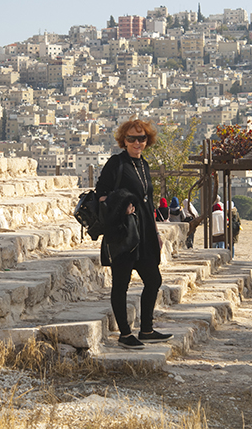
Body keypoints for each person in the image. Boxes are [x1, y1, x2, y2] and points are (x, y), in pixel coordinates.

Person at [95, 118, 173, 349]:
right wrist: (121, 204)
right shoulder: (116, 164)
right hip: (124, 232)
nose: (137, 142)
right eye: (132, 138)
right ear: (124, 140)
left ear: (148, 140)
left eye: (142, 138)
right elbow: (101, 194)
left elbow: (147, 202)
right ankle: (125, 334)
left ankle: (146, 329)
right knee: (121, 284)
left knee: (154, 279)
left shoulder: (144, 165)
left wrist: (157, 232)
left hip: (147, 231)